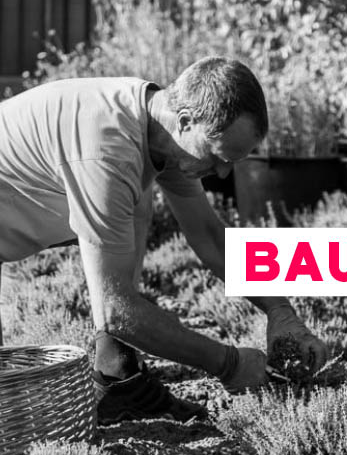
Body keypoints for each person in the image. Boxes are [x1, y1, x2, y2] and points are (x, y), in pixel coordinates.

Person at [0, 56, 327, 423]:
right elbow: (116, 310)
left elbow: (208, 235)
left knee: (135, 207)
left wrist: (281, 313)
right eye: (218, 156)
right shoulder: (108, 151)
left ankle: (116, 373)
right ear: (186, 120)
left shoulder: (160, 130)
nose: (222, 173)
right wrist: (229, 364)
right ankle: (115, 370)